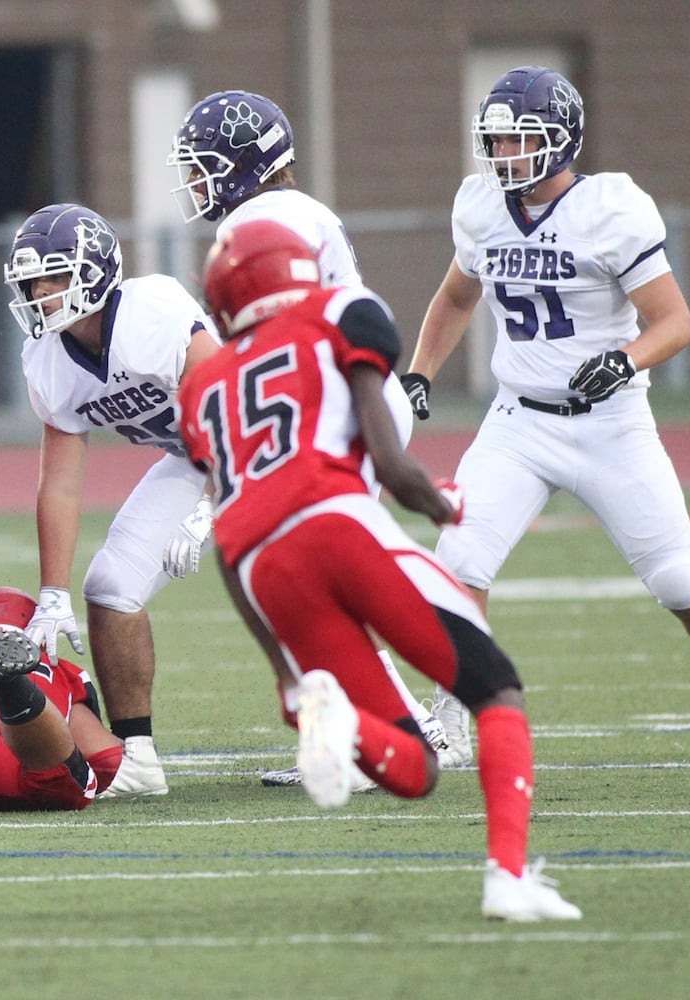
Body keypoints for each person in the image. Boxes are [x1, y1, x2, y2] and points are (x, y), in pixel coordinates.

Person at [401, 66, 690, 759]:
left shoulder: (610, 209)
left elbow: (674, 321)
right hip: (519, 421)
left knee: (679, 579)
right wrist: (419, 373)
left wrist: (625, 358)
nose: (501, 154)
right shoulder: (480, 208)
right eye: (496, 140)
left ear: (559, 141)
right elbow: (455, 297)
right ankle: (451, 713)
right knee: (459, 559)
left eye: (516, 140)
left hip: (609, 423)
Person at [178, 219, 579, 921]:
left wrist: (287, 677)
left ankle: (339, 723)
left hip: (260, 567)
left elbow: (231, 540)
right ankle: (508, 878)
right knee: (496, 691)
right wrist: (443, 508)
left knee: (415, 770)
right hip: (335, 523)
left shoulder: (204, 384)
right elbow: (391, 463)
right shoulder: (343, 311)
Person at [171, 90, 468, 786]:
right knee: (316, 569)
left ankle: (395, 731)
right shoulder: (292, 211)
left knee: (322, 571)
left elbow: (274, 332)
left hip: (338, 397)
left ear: (246, 163)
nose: (194, 183)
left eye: (203, 166)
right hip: (347, 390)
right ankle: (358, 731)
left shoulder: (263, 217)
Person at [4, 203, 219, 798]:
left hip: (274, 439)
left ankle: (406, 722)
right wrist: (52, 592)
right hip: (193, 455)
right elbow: (61, 480)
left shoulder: (152, 312)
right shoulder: (47, 357)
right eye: (30, 280)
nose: (38, 292)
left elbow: (230, 407)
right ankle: (140, 759)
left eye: (52, 276)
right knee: (110, 587)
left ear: (94, 271)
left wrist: (211, 506)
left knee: (292, 583)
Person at [0, 589, 126, 814]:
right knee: (69, 785)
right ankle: (10, 684)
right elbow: (106, 758)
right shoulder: (61, 668)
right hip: (13, 747)